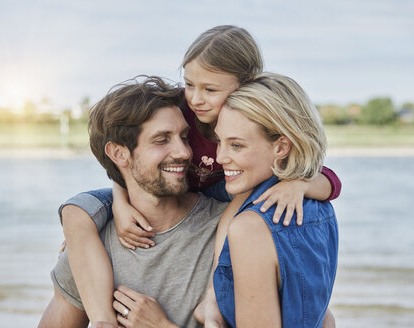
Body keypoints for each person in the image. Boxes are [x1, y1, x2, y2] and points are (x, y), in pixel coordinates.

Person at [57, 25, 341, 326]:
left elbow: (327, 179)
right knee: (77, 212)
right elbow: (127, 155)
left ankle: (211, 297)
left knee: (239, 209)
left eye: (210, 89)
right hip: (170, 188)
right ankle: (103, 321)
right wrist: (119, 202)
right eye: (190, 84)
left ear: (243, 87)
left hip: (221, 190)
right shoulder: (182, 107)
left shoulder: (251, 215)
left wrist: (299, 184)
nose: (196, 98)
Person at [38, 76, 229, 328]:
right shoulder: (89, 247)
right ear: (119, 154)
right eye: (162, 140)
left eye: (184, 137)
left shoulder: (229, 231)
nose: (184, 152)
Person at [210, 72, 339, 327]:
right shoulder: (323, 209)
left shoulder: (250, 228)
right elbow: (324, 318)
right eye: (219, 141)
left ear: (281, 147)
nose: (220, 157)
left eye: (236, 145)